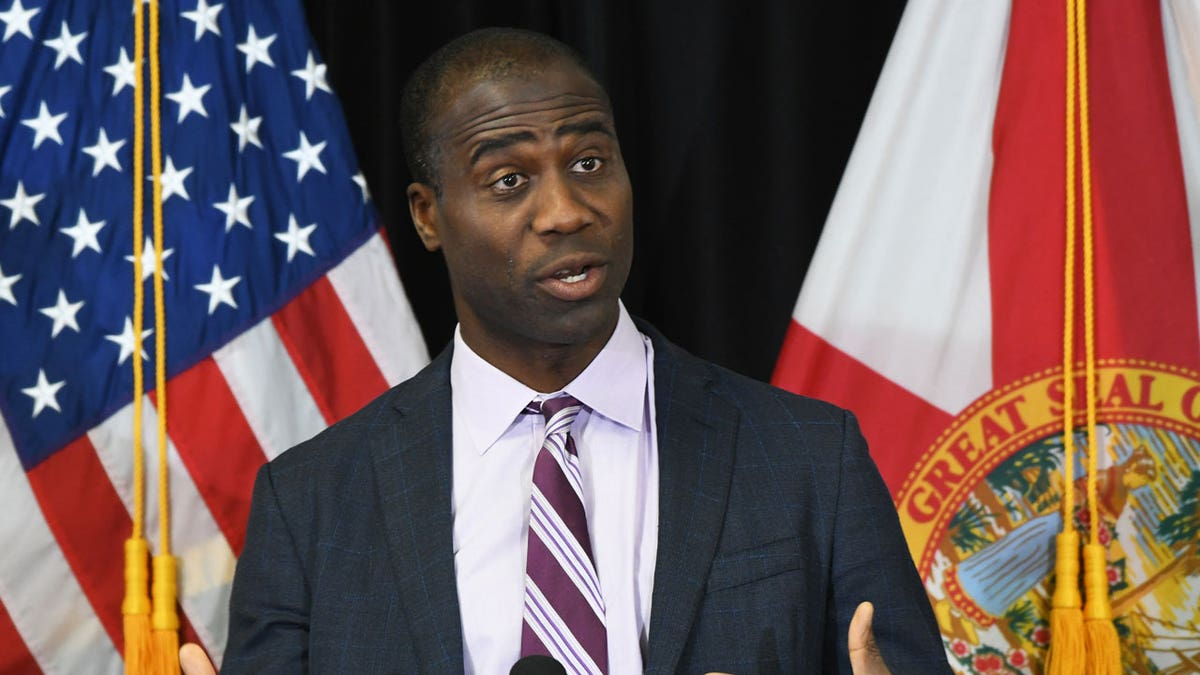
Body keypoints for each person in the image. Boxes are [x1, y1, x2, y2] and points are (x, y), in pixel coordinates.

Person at [185, 27, 949, 674]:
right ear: (428, 216)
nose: (566, 210)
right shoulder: (312, 502)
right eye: (509, 179)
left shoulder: (812, 458)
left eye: (589, 163)